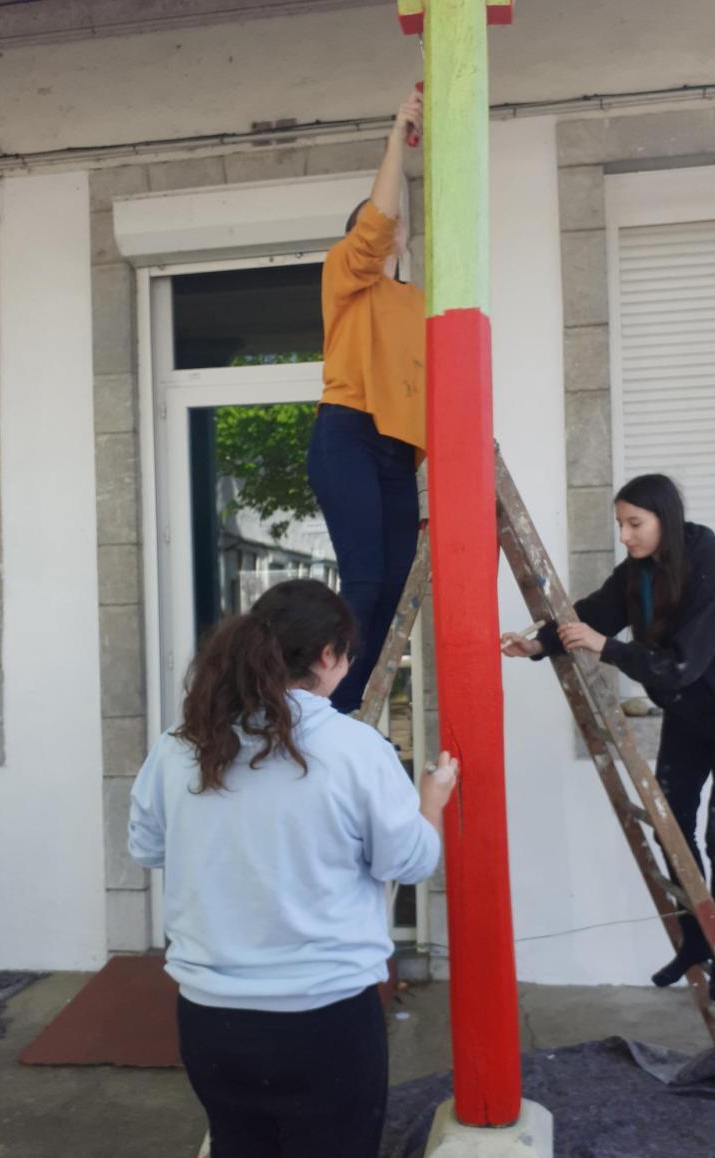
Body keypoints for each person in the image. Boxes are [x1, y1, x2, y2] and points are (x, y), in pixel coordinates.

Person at [128, 578, 457, 1158]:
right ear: (328, 655)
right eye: (347, 655)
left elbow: (147, 848)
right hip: (324, 1021)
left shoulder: (180, 745)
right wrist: (431, 803)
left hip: (212, 1021)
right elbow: (410, 861)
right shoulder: (355, 748)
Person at [501, 474, 715, 1001]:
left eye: (635, 523)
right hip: (689, 711)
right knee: (670, 824)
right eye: (620, 524)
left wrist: (605, 647)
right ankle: (697, 938)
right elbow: (590, 616)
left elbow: (682, 665)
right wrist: (537, 644)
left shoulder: (710, 571)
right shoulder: (636, 573)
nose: (625, 536)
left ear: (664, 520)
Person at [306, 87, 426, 715]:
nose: (391, 225)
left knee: (397, 587)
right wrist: (397, 138)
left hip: (397, 451)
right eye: (380, 221)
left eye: (398, 222)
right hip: (348, 433)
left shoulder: (417, 303)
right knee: (366, 579)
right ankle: (328, 705)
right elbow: (377, 221)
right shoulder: (344, 275)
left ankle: (355, 707)